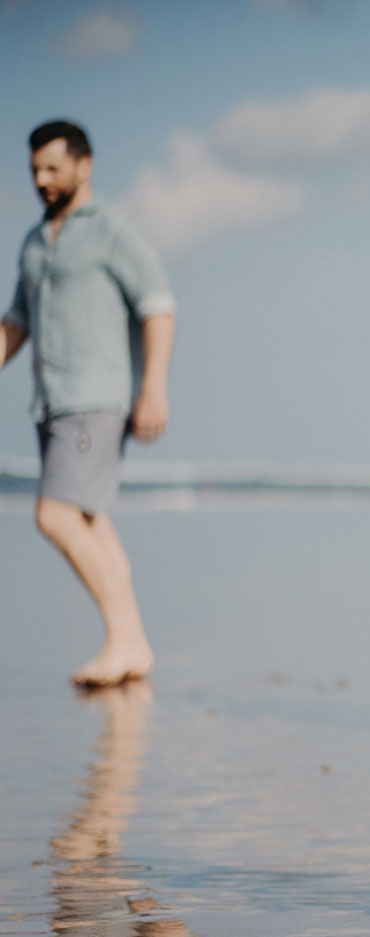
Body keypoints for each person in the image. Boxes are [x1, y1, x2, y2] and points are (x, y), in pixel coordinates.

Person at [1, 120, 177, 686]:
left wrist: (153, 387)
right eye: (34, 169)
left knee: (55, 516)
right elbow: (16, 322)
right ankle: (131, 646)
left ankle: (127, 641)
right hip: (50, 403)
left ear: (85, 165)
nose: (41, 179)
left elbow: (158, 305)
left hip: (95, 398)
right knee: (91, 522)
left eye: (53, 168)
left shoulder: (112, 231)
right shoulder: (35, 242)